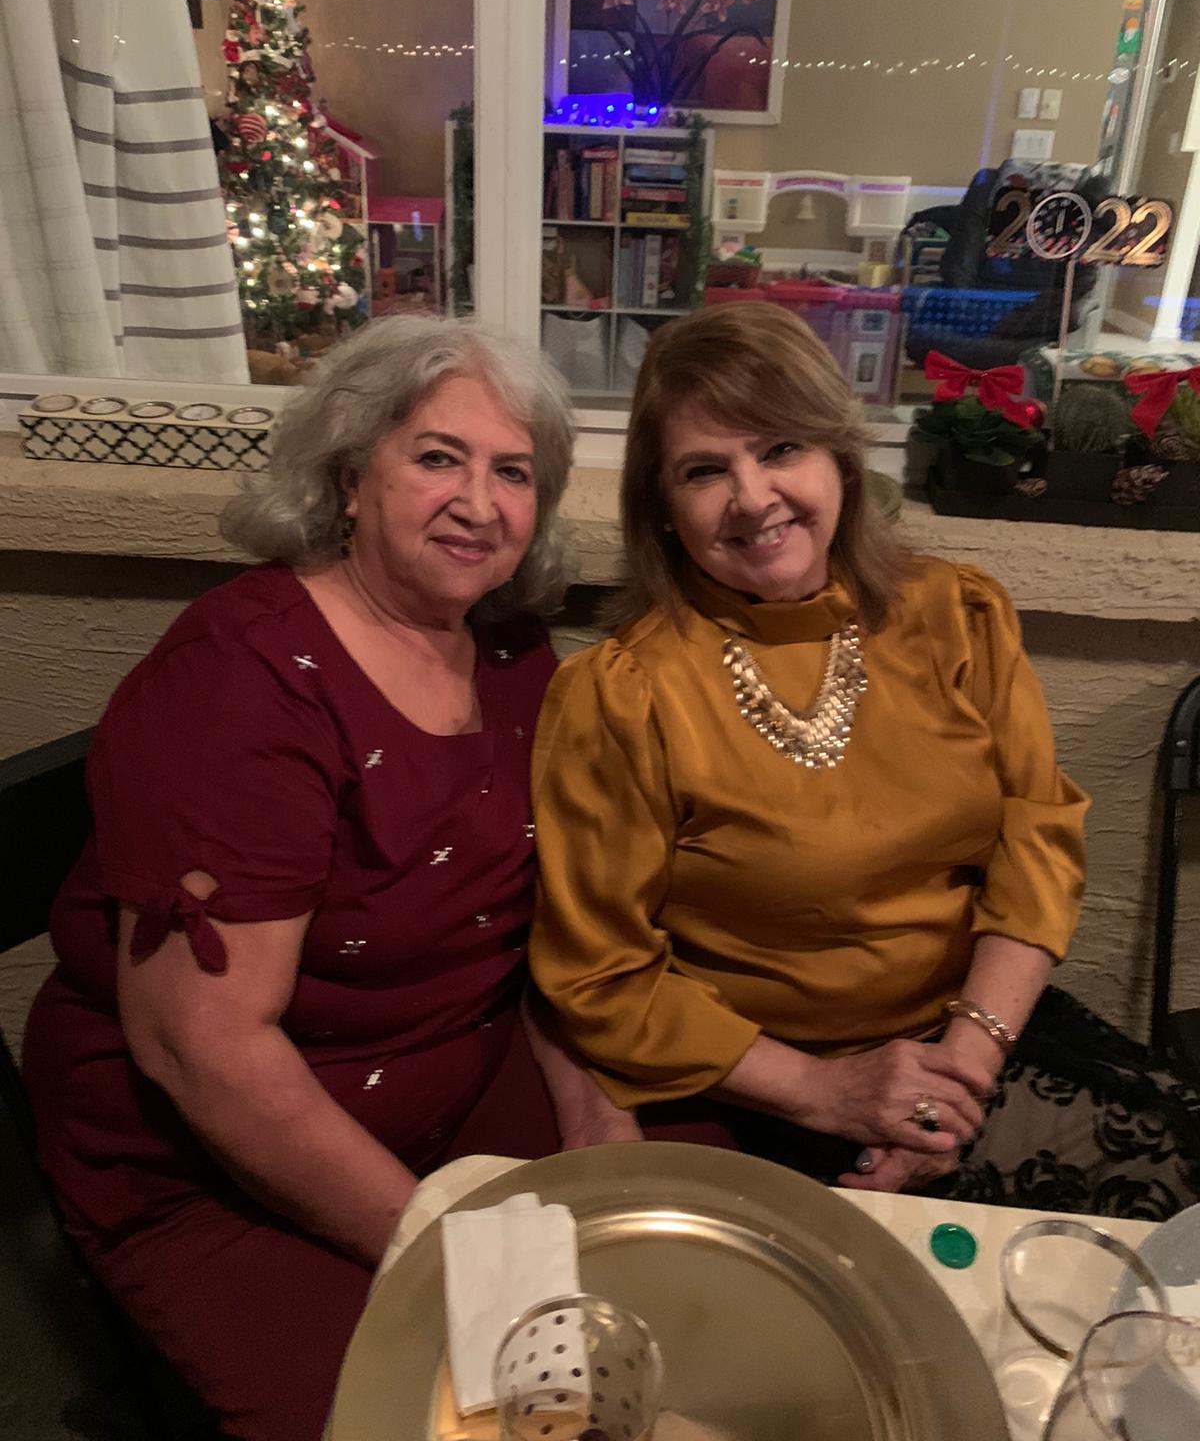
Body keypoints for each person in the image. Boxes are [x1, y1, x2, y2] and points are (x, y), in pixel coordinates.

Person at [22, 317, 637, 1441]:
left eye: (514, 473)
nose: (480, 501)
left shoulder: (512, 653)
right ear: (351, 476)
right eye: (439, 456)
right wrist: (445, 1252)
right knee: (432, 1419)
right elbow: (204, 1052)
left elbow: (532, 924)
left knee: (679, 1259)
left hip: (453, 1069)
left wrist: (595, 1106)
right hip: (213, 1157)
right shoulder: (241, 684)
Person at [530, 301, 1200, 1217]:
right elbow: (602, 979)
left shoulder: (956, 614)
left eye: (780, 448)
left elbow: (1037, 841)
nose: (753, 497)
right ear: (664, 509)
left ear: (839, 459)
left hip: (980, 1026)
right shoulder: (623, 695)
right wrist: (829, 1092)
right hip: (771, 1081)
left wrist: (961, 1067)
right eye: (704, 470)